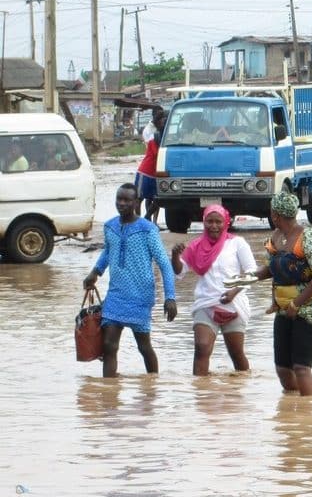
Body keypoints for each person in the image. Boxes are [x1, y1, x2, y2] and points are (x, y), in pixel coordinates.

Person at [83, 183, 178, 378]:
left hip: (140, 297)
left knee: (144, 346)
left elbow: (164, 264)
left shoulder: (147, 230)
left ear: (136, 203)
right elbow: (108, 251)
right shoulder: (110, 226)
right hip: (116, 295)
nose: (122, 203)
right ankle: (109, 396)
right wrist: (95, 272)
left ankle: (152, 386)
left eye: (127, 200)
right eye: (119, 199)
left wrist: (170, 297)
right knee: (109, 345)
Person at [254, 191, 312, 395]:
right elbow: (269, 270)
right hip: (284, 309)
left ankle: (308, 417)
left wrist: (296, 304)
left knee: (301, 367)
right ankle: (292, 415)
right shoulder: (276, 237)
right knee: (283, 369)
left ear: (275, 215)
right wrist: (243, 280)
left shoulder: (307, 237)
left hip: (311, 309)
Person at [170, 204, 257, 376]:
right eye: (209, 221)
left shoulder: (237, 243)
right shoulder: (195, 246)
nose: (214, 226)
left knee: (237, 355)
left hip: (234, 305)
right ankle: (201, 394)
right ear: (204, 222)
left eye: (218, 221)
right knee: (201, 348)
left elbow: (252, 272)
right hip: (206, 304)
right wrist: (174, 256)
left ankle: (241, 393)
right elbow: (179, 272)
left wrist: (234, 291)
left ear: (226, 223)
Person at [135, 111, 167, 225]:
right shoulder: (154, 138)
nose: (164, 123)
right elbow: (158, 154)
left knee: (158, 199)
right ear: (158, 122)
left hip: (157, 173)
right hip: (145, 172)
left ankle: (150, 220)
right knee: (139, 198)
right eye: (163, 121)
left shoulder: (166, 137)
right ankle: (138, 223)